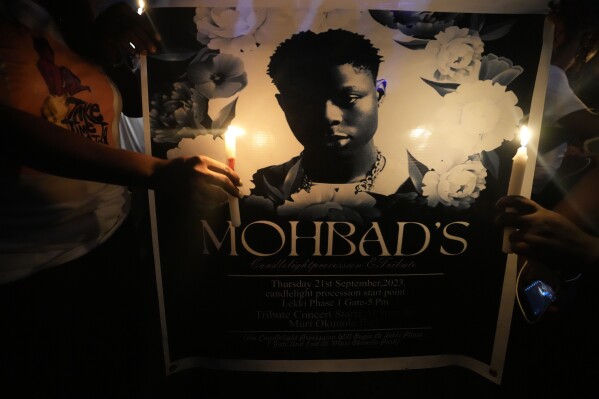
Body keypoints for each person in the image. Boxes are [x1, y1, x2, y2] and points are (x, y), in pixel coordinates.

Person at [0, 0, 241, 396]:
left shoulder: (64, 20)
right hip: (29, 265)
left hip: (109, 239)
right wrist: (155, 172)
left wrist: (106, 46)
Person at [249, 29, 412, 220]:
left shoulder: (426, 190)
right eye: (304, 102)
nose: (328, 116)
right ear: (283, 104)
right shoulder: (258, 188)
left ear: (379, 95)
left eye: (348, 98)